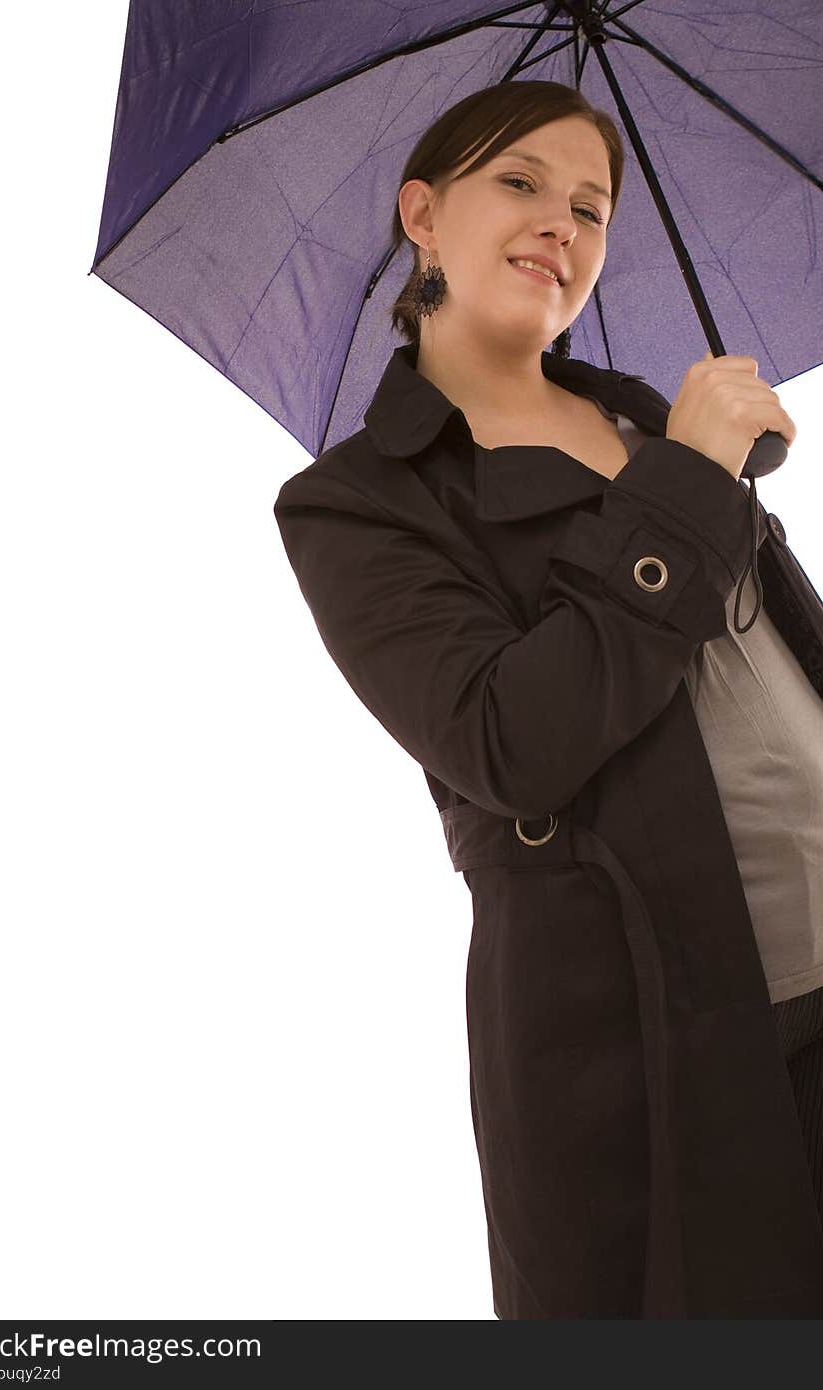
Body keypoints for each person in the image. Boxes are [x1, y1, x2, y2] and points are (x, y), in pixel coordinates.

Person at [274, 81, 823, 1318]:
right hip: (663, 1035)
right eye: (517, 184)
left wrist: (696, 463)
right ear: (424, 213)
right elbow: (510, 738)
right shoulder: (361, 502)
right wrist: (685, 481)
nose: (559, 227)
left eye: (591, 206)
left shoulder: (648, 414)